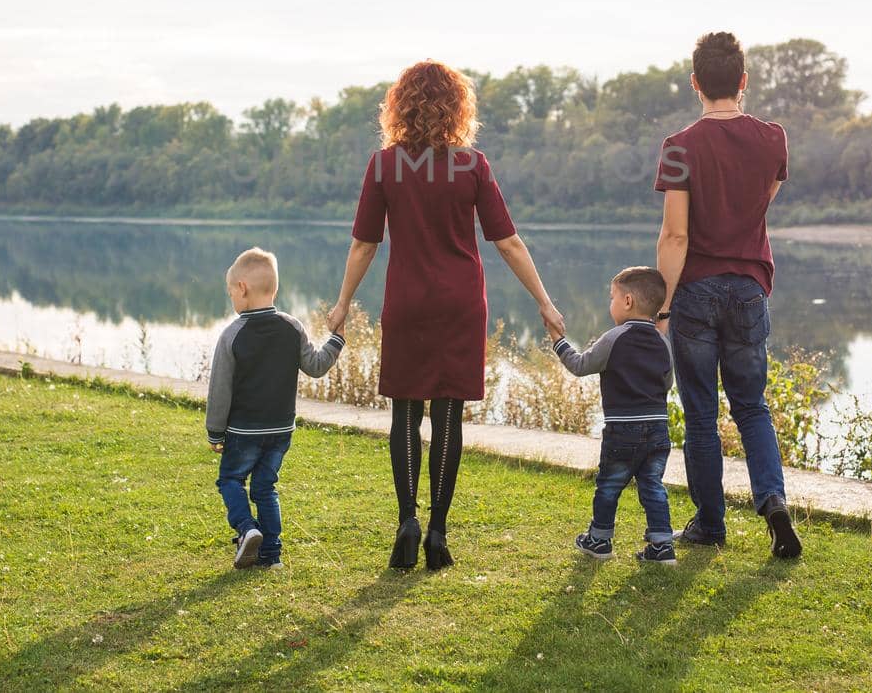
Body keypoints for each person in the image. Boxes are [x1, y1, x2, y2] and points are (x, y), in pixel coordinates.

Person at [328, 59, 567, 571]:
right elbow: (508, 242)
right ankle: (438, 530)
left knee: (407, 414)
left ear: (399, 106)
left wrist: (343, 303)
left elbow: (363, 245)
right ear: (458, 108)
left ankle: (407, 521)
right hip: (461, 303)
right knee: (449, 415)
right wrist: (544, 302)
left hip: (408, 302)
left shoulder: (385, 165)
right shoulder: (473, 166)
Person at [654, 31, 803, 559]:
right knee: (752, 407)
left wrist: (663, 306)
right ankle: (773, 501)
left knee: (700, 416)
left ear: (696, 84)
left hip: (693, 292)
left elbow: (675, 235)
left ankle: (710, 525)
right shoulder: (773, 140)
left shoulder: (679, 147)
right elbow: (761, 201)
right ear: (743, 82)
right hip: (747, 290)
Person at [206, 247, 346, 570]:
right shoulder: (293, 327)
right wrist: (336, 340)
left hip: (244, 432)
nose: (232, 300)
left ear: (241, 289)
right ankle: (271, 556)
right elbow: (316, 365)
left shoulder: (233, 334)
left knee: (230, 479)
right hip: (281, 430)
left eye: (231, 293)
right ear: (275, 290)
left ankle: (247, 528)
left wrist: (215, 432)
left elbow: (220, 390)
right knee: (265, 487)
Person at [552, 266, 677, 565]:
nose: (610, 304)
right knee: (653, 486)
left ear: (628, 301)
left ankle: (599, 540)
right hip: (659, 429)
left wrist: (559, 342)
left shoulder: (615, 338)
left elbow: (581, 365)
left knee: (609, 484)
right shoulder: (663, 342)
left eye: (612, 298)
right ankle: (661, 545)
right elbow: (668, 383)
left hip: (623, 431)